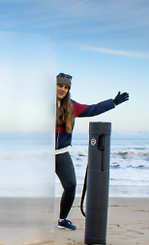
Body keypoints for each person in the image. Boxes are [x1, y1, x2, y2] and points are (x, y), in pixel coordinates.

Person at [55, 72, 129, 230]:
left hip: (59, 152)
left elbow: (93, 109)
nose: (62, 89)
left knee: (70, 185)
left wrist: (114, 102)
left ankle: (62, 220)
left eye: (65, 87)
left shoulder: (72, 107)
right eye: (59, 86)